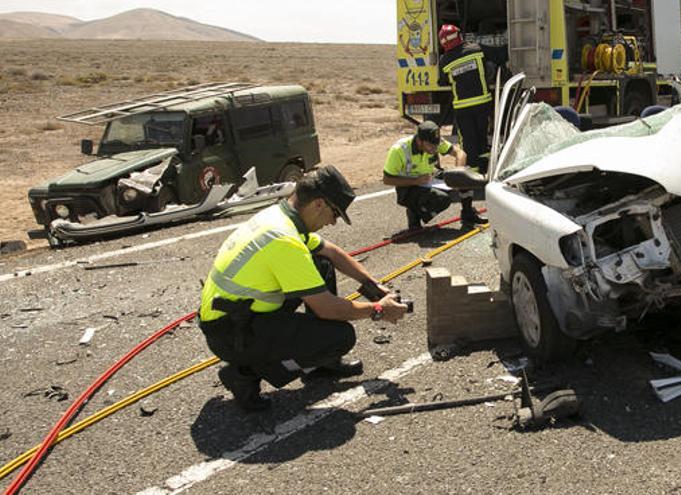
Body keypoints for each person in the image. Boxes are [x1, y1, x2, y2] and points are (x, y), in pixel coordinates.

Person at [198, 165, 408, 411]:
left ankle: (321, 365)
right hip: (231, 333)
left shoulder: (280, 216)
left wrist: (370, 284)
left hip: (236, 314)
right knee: (340, 337)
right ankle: (245, 373)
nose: (332, 222)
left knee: (322, 264)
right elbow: (329, 309)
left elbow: (330, 251)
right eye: (335, 214)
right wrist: (378, 309)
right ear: (319, 204)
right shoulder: (283, 240)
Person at [383, 120, 487, 230]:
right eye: (431, 145)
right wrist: (416, 181)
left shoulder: (435, 142)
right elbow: (387, 179)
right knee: (442, 200)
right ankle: (414, 213)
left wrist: (458, 173)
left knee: (465, 177)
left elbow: (460, 154)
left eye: (436, 145)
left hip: (429, 178)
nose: (434, 149)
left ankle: (468, 214)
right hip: (409, 187)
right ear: (419, 141)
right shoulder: (399, 150)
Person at [438, 24, 494, 176]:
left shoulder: (445, 60)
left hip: (463, 108)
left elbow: (442, 82)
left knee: (468, 141)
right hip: (483, 103)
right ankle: (485, 170)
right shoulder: (477, 50)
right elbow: (491, 64)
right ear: (459, 36)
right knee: (482, 137)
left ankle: (472, 174)